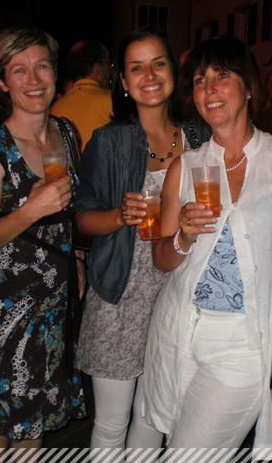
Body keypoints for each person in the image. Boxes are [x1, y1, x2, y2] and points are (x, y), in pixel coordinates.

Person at [141, 36, 272, 450]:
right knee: (176, 441)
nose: (210, 89)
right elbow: (161, 259)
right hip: (181, 330)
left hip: (244, 343)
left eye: (222, 75)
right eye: (200, 80)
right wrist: (182, 236)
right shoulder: (185, 167)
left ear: (249, 87)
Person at [75, 28, 209, 452]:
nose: (149, 76)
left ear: (174, 72)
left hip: (179, 293)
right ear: (123, 81)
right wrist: (119, 215)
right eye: (136, 68)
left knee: (155, 417)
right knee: (112, 424)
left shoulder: (200, 137)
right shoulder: (110, 141)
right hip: (121, 294)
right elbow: (82, 218)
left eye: (158, 64)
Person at [0, 25, 86, 449]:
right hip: (11, 308)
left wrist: (77, 260)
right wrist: (30, 210)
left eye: (42, 66)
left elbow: (70, 216)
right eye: (19, 70)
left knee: (32, 426)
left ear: (55, 72)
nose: (34, 80)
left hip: (56, 304)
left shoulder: (67, 133)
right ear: (2, 82)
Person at [51, 40, 113, 150]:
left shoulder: (56, 108)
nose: (109, 71)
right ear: (97, 69)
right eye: (107, 64)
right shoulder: (112, 101)